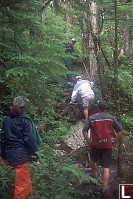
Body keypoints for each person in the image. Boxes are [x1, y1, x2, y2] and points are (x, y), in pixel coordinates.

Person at [1, 96, 42, 199]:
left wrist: (4, 157)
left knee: (25, 181)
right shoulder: (25, 120)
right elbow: (30, 140)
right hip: (21, 156)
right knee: (22, 187)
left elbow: (3, 139)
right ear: (24, 107)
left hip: (11, 155)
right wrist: (36, 157)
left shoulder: (6, 120)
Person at [82, 100, 124, 195]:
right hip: (107, 145)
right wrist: (114, 140)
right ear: (105, 108)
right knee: (106, 166)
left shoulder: (92, 118)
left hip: (96, 144)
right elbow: (121, 131)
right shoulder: (111, 118)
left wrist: (89, 141)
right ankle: (105, 188)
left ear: (97, 107)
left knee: (93, 160)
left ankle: (95, 176)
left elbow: (84, 130)